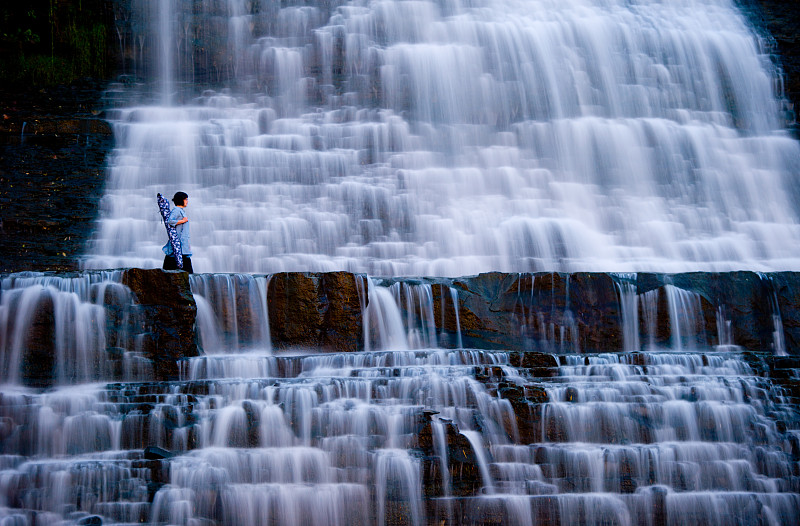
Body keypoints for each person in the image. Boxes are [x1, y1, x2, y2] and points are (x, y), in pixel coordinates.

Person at [162, 191, 194, 273]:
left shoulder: (181, 210)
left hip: (182, 243)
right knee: (185, 267)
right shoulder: (176, 210)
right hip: (178, 243)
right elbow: (170, 221)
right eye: (186, 199)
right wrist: (182, 221)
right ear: (181, 200)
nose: (187, 201)